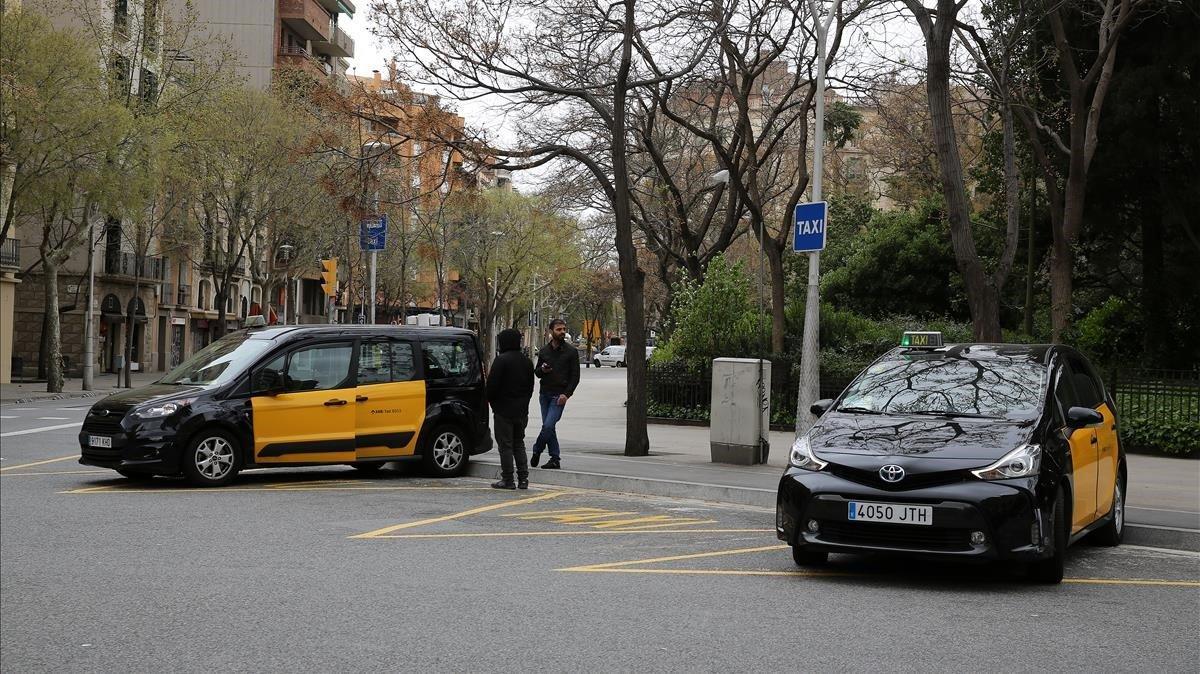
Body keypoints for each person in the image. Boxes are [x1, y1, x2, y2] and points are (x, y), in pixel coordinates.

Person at [486, 328, 535, 489]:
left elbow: (492, 387)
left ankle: (508, 479)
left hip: (503, 411)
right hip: (521, 411)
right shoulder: (527, 362)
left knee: (505, 446)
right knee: (518, 443)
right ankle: (523, 479)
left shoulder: (501, 360)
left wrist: (493, 404)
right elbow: (530, 387)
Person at [530, 318, 580, 469]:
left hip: (559, 396)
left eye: (564, 329)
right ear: (551, 331)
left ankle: (537, 450)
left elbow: (575, 376)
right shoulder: (544, 351)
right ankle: (555, 458)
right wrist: (542, 370)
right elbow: (537, 372)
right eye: (559, 329)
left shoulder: (571, 352)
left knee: (547, 426)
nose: (562, 332)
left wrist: (567, 394)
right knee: (549, 427)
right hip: (544, 394)